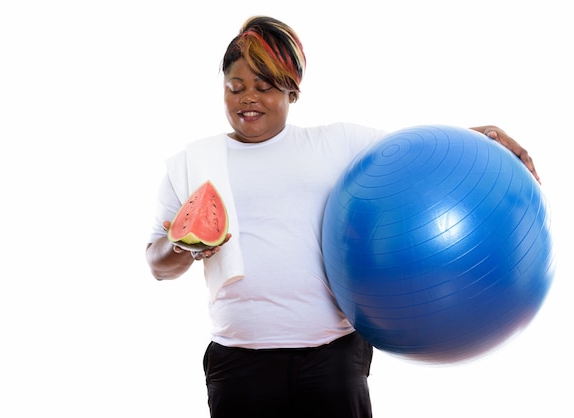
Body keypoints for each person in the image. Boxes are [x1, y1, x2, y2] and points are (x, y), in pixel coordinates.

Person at [145, 16, 540, 418]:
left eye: (264, 88)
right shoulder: (192, 163)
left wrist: (483, 136)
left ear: (291, 92)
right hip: (238, 363)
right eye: (235, 88)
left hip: (332, 359)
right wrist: (182, 246)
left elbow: (416, 158)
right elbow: (158, 265)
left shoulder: (338, 143)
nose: (249, 98)